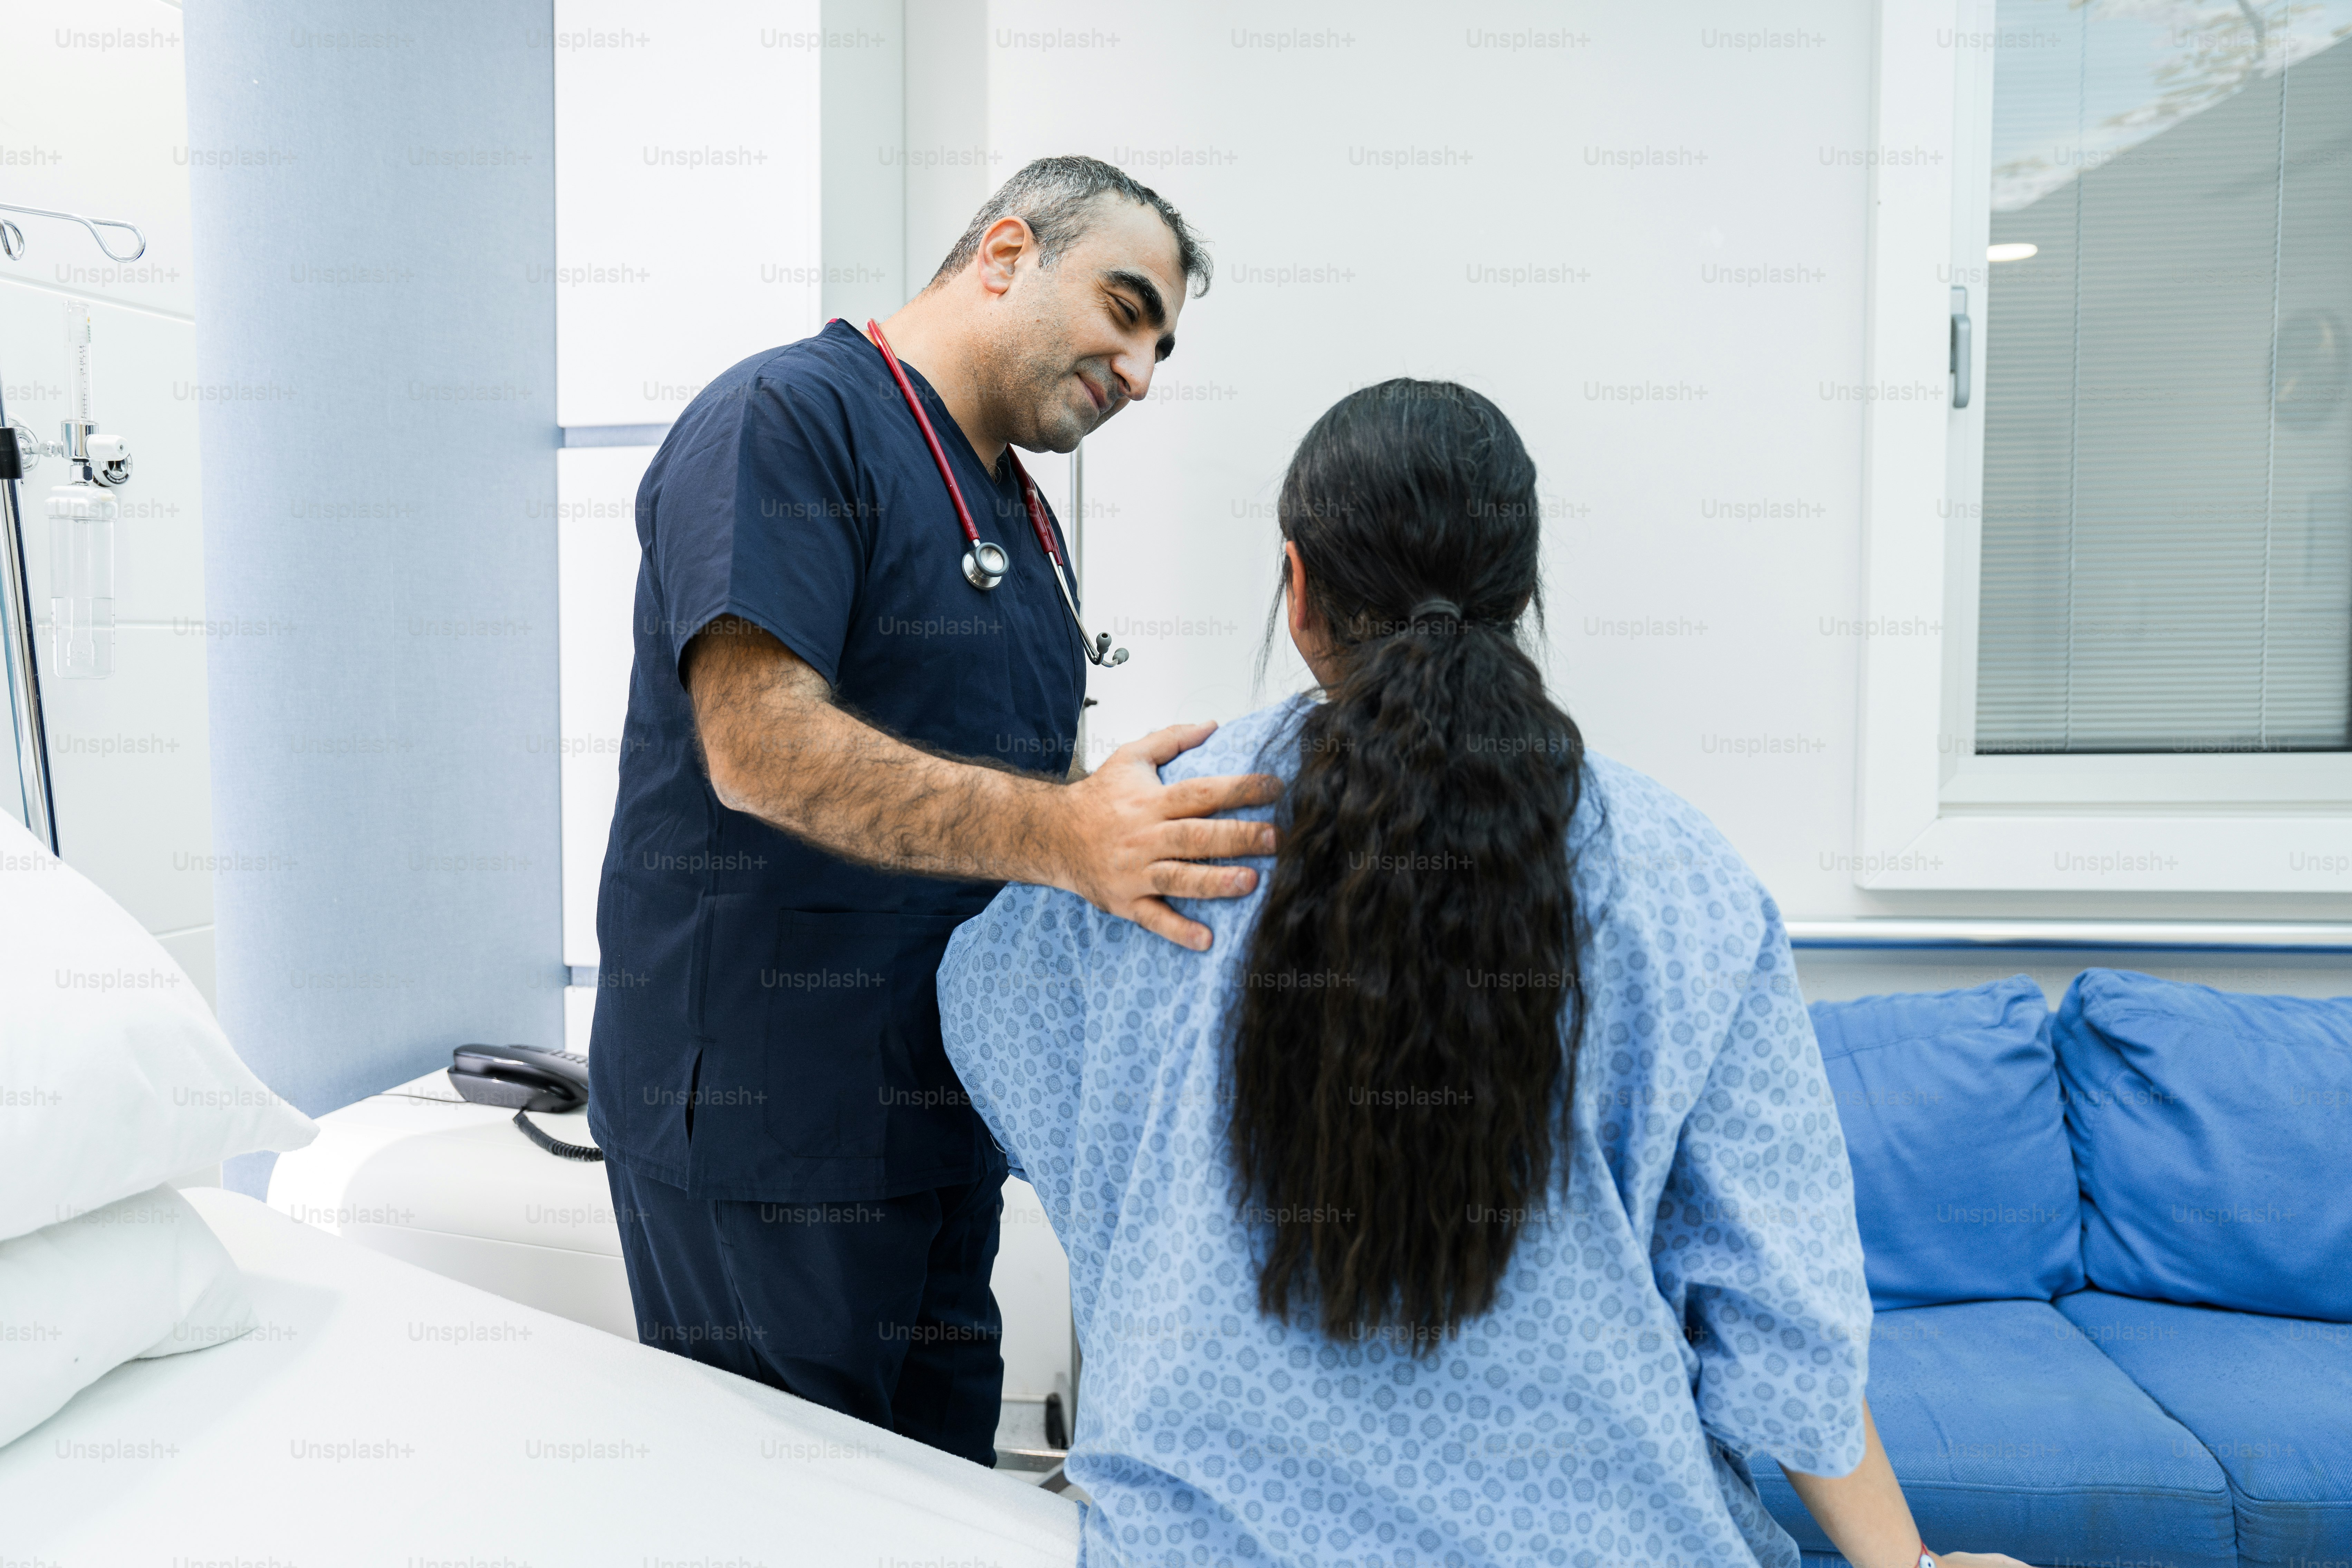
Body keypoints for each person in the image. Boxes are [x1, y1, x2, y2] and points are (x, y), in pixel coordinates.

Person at [939, 381, 2035, 1567]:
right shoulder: (1680, 873)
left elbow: (990, 1022)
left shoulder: (1155, 831)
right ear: (1518, 594)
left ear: (1298, 589)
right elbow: (1779, 1301)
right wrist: (1907, 1565)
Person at [585, 157, 1282, 1468]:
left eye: (1163, 350)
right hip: (768, 1127)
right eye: (1125, 312)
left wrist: (1109, 818)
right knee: (794, 1523)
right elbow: (760, 750)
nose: (1140, 373)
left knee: (942, 1502)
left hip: (934, 1127)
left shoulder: (1017, 508)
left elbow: (991, 795)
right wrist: (1070, 833)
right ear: (1006, 253)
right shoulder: (786, 420)